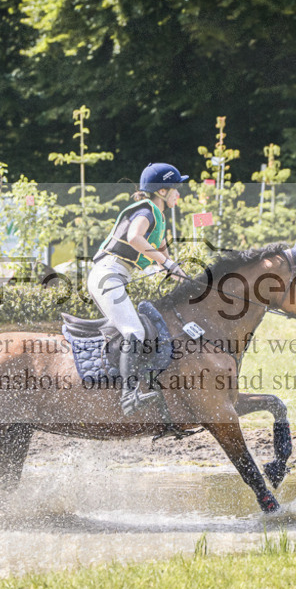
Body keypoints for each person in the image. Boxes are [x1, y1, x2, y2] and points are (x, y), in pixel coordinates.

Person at [87, 162, 189, 414]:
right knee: (134, 331)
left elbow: (163, 251)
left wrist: (181, 275)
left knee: (139, 328)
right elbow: (134, 237)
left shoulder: (158, 216)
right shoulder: (147, 211)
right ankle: (128, 395)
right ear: (162, 191)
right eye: (176, 188)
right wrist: (166, 263)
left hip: (115, 276)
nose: (180, 193)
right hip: (107, 274)